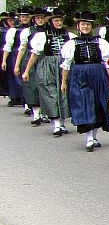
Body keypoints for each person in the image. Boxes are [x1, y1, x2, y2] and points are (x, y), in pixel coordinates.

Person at [60, 11, 109, 151]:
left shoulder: (100, 42)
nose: (85, 27)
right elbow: (66, 65)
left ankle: (94, 136)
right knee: (84, 103)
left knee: (98, 103)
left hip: (98, 74)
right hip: (79, 75)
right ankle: (89, 138)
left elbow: (107, 63)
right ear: (78, 26)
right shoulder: (72, 44)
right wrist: (64, 82)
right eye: (83, 24)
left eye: (88, 24)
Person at [24, 8, 72, 136]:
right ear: (51, 22)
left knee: (64, 93)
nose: (58, 23)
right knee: (50, 94)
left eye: (60, 20)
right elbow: (34, 55)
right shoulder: (42, 36)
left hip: (64, 65)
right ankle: (56, 124)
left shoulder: (69, 35)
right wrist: (27, 71)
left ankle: (62, 123)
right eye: (56, 20)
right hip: (47, 65)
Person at [15, 7, 47, 124]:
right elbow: (22, 48)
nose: (40, 20)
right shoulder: (27, 31)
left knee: (45, 85)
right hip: (30, 58)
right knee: (32, 87)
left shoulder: (49, 30)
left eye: (42, 18)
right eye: (37, 18)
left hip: (45, 59)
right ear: (33, 19)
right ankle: (36, 114)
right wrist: (17, 65)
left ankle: (45, 113)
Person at [1, 11, 24, 107]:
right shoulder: (13, 31)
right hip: (14, 53)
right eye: (9, 20)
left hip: (25, 52)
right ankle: (15, 97)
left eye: (12, 20)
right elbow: (8, 45)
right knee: (13, 75)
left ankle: (24, 97)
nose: (11, 22)